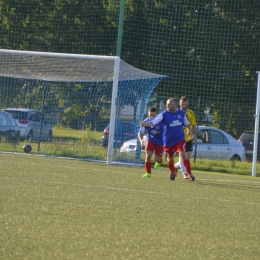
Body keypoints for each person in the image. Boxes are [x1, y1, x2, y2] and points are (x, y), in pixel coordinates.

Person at [140, 98, 195, 181]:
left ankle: (189, 174)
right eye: (167, 104)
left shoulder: (181, 113)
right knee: (170, 157)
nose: (167, 105)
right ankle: (172, 171)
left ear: (175, 105)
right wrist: (145, 124)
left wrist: (189, 132)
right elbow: (154, 121)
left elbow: (187, 124)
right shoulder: (163, 114)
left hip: (179, 139)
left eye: (169, 104)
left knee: (183, 154)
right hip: (168, 140)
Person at [175, 96, 197, 180]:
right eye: (182, 103)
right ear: (179, 103)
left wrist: (194, 137)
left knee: (188, 157)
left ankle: (175, 166)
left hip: (188, 138)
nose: (183, 104)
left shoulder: (190, 113)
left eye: (185, 103)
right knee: (183, 156)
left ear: (187, 103)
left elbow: (193, 125)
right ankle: (186, 173)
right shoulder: (176, 112)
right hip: (179, 138)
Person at [138, 107, 164, 178]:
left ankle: (159, 162)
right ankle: (148, 173)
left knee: (157, 159)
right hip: (150, 140)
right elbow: (140, 133)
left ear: (157, 115)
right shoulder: (146, 122)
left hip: (160, 142)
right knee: (148, 156)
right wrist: (141, 140)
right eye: (150, 115)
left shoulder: (161, 122)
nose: (152, 117)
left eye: (153, 115)